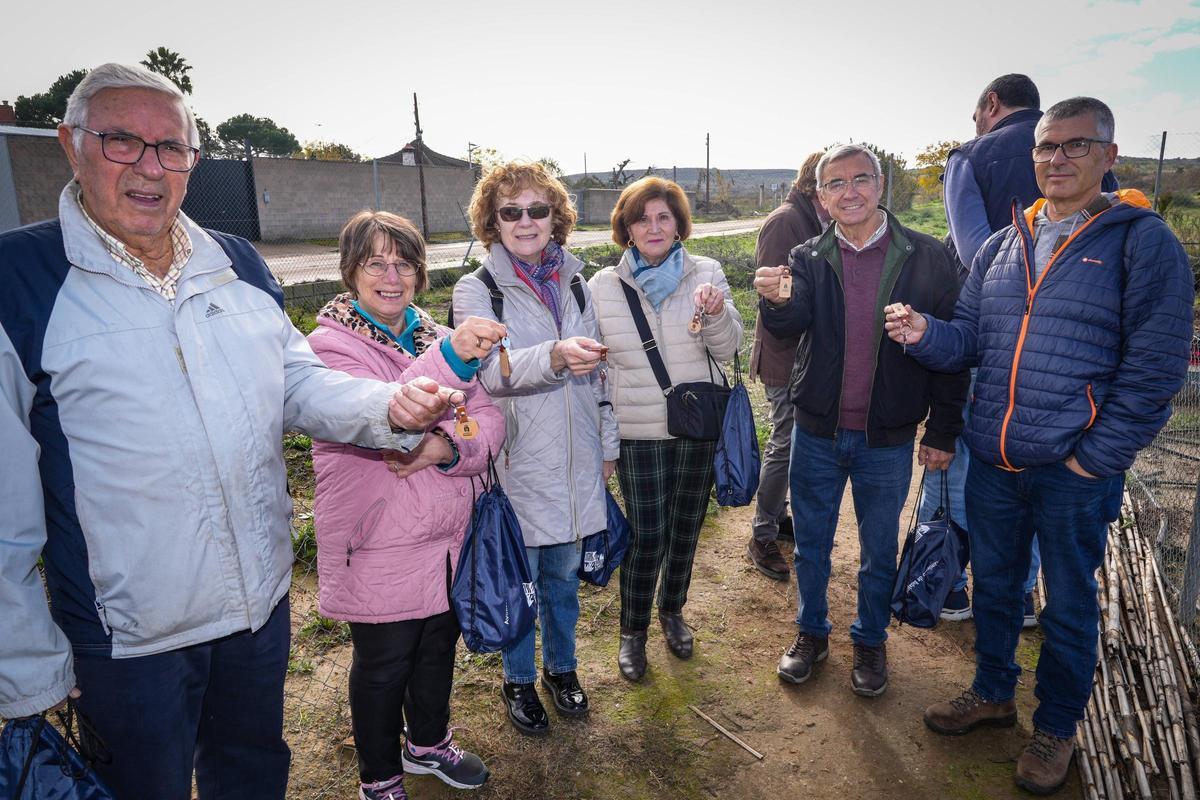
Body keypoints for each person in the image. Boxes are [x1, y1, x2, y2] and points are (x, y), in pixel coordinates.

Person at [0, 63, 454, 799]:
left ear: (192, 161)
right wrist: (25, 667)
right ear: (70, 144)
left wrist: (387, 409)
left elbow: (297, 381)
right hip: (127, 636)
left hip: (257, 607)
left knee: (251, 771)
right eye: (122, 142)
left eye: (171, 147)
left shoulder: (237, 263)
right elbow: (4, 508)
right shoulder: (22, 280)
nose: (150, 167)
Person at [885, 97, 1193, 795]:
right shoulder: (1002, 245)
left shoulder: (1141, 242)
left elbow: (1156, 369)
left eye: (1076, 146)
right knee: (995, 586)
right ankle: (993, 693)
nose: (1057, 159)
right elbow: (969, 340)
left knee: (1069, 604)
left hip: (1073, 470)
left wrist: (1095, 456)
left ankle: (1056, 727)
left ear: (1109, 157)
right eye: (1047, 147)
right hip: (995, 459)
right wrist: (924, 334)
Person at [754, 144, 968, 698]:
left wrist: (943, 430)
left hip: (887, 437)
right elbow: (789, 325)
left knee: (878, 548)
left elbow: (954, 355)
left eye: (860, 180)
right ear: (820, 197)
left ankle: (870, 639)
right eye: (836, 184)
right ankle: (811, 632)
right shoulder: (806, 257)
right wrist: (774, 301)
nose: (849, 192)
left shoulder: (927, 257)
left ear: (880, 185)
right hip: (818, 431)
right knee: (812, 545)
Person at [308, 211, 505, 799]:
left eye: (404, 263)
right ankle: (379, 777)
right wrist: (454, 367)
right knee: (384, 663)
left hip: (448, 532)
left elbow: (491, 421)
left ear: (420, 274)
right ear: (351, 271)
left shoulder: (437, 339)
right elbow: (385, 410)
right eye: (376, 263)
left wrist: (446, 446)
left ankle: (427, 745)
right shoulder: (327, 349)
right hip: (379, 537)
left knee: (437, 646)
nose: (392, 276)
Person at [928, 74, 1113, 623]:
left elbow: (971, 247)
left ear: (990, 104)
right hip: (1076, 355)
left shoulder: (969, 157)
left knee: (971, 466)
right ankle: (1027, 590)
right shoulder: (1090, 157)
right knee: (1048, 471)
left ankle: (956, 585)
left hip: (994, 335)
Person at [452, 161, 619, 736]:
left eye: (538, 209)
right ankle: (518, 679)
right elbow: (490, 376)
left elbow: (599, 375)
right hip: (518, 460)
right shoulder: (478, 288)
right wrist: (552, 355)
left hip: (577, 458)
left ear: (556, 217)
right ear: (492, 223)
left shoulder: (576, 281)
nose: (526, 221)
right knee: (523, 580)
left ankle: (562, 669)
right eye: (511, 211)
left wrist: (608, 444)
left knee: (563, 579)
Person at [589, 176, 743, 681]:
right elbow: (595, 370)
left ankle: (672, 611)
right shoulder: (602, 288)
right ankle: (632, 633)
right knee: (647, 535)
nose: (653, 227)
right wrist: (604, 436)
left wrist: (717, 314)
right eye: (642, 218)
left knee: (686, 529)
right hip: (637, 431)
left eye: (663, 217)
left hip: (696, 427)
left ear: (678, 224)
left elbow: (726, 349)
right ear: (626, 228)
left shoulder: (707, 272)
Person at [746, 151, 830, 581]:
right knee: (785, 442)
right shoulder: (785, 222)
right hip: (784, 354)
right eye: (832, 182)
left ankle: (776, 517)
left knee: (794, 441)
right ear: (815, 186)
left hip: (806, 354)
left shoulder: (816, 221)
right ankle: (761, 534)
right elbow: (779, 293)